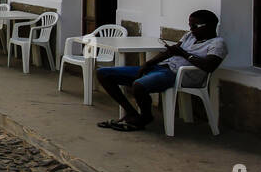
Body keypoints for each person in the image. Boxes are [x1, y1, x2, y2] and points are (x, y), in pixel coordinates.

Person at [95, 10, 227, 132]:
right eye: (190, 26)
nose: (191, 30)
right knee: (104, 73)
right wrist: (148, 63)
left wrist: (184, 54)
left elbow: (209, 66)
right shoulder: (189, 36)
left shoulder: (217, 43)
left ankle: (145, 118)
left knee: (139, 85)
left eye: (195, 26)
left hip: (175, 74)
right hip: (160, 68)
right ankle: (131, 113)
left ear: (209, 26)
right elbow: (172, 51)